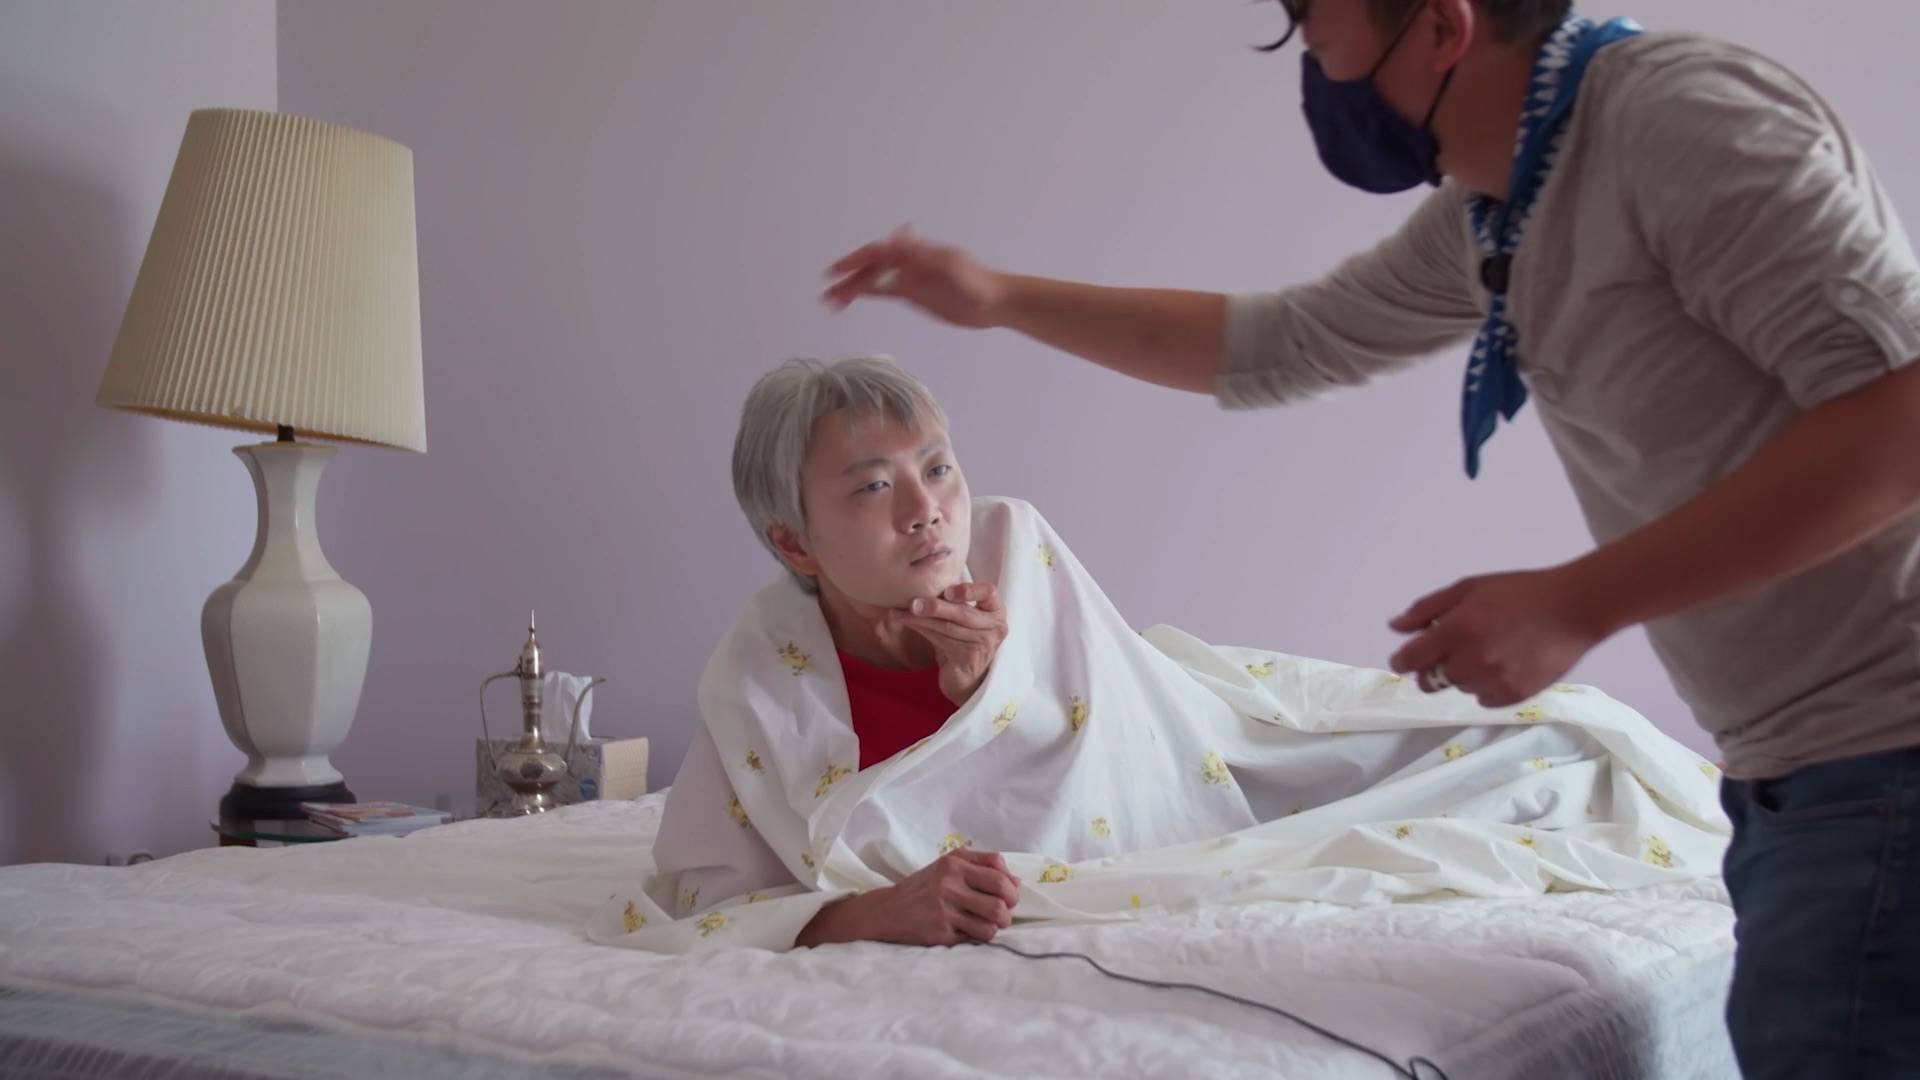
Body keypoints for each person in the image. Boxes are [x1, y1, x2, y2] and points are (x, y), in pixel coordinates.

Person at [820, 3, 1920, 1075]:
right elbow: (1281, 342)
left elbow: (1904, 417)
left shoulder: (1679, 122)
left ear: (1440, 26)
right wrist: (1000, 296)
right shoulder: (1511, 206)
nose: (1314, 65)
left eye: (1314, 26)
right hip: (1801, 772)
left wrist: (1577, 602)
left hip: (1885, 757)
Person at [593, 356, 1725, 957]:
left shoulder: (1015, 548)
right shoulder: (758, 672)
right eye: (873, 488)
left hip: (1204, 731)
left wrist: (992, 690)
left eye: (937, 467)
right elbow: (700, 904)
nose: (928, 510)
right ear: (794, 540)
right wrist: (872, 913)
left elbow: (1123, 748)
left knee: (1523, 750)